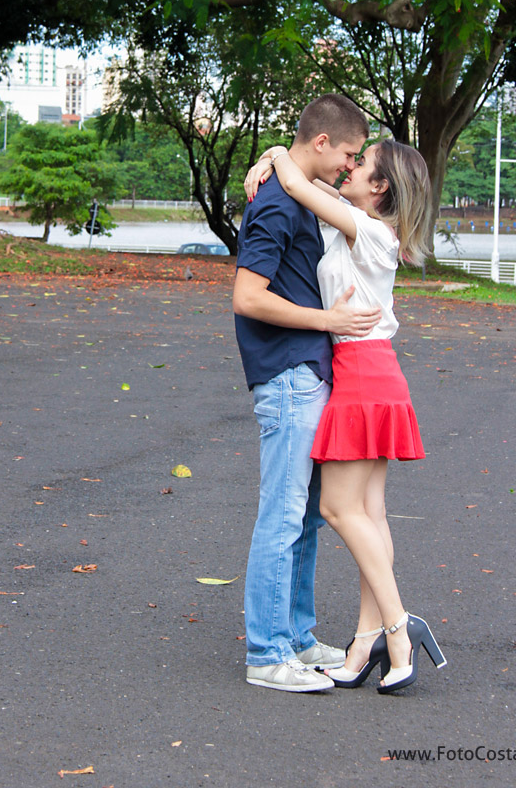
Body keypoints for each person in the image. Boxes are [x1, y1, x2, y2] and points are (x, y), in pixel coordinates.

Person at [244, 136, 447, 694]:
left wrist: (279, 157)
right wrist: (271, 156)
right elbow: (299, 186)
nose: (350, 167)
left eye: (361, 165)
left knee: (336, 507)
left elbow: (294, 182)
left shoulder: (373, 232)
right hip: (370, 370)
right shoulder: (347, 227)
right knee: (371, 515)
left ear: (379, 187)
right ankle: (364, 642)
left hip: (362, 371)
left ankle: (400, 626)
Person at [233, 94, 381, 693]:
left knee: (307, 520)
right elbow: (247, 297)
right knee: (283, 514)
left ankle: (295, 636)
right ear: (321, 143)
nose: (350, 167)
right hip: (289, 375)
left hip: (310, 375)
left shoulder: (298, 195)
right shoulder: (273, 203)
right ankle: (267, 654)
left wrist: (273, 152)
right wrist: (329, 323)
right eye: (347, 154)